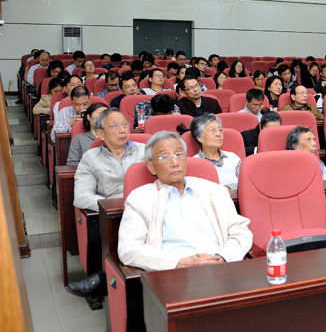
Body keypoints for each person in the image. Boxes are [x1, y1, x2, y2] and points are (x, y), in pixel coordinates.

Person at [117, 131, 253, 272]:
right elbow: (129, 248)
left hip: (221, 270)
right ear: (151, 166)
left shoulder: (214, 191)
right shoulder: (140, 198)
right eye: (164, 157)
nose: (175, 163)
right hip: (173, 274)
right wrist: (178, 263)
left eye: (179, 154)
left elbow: (241, 232)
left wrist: (223, 257)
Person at [68, 108, 146, 301]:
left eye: (125, 124)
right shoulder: (90, 157)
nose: (122, 129)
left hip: (147, 210)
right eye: (115, 126)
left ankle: (103, 280)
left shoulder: (146, 151)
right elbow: (81, 197)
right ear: (100, 133)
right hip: (113, 214)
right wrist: (113, 205)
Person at [191, 114, 241, 190]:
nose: (218, 134)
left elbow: (244, 183)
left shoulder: (233, 157)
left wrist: (227, 188)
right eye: (212, 130)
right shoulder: (195, 163)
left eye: (220, 130)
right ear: (199, 138)